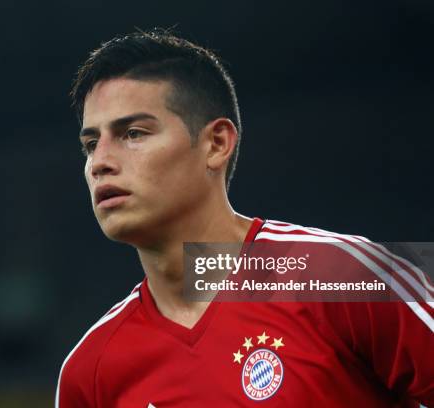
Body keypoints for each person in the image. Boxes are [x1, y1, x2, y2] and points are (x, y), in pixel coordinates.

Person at [56, 29, 433, 407]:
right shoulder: (89, 373)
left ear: (216, 144)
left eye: (133, 133)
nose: (100, 162)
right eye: (90, 144)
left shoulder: (336, 276)